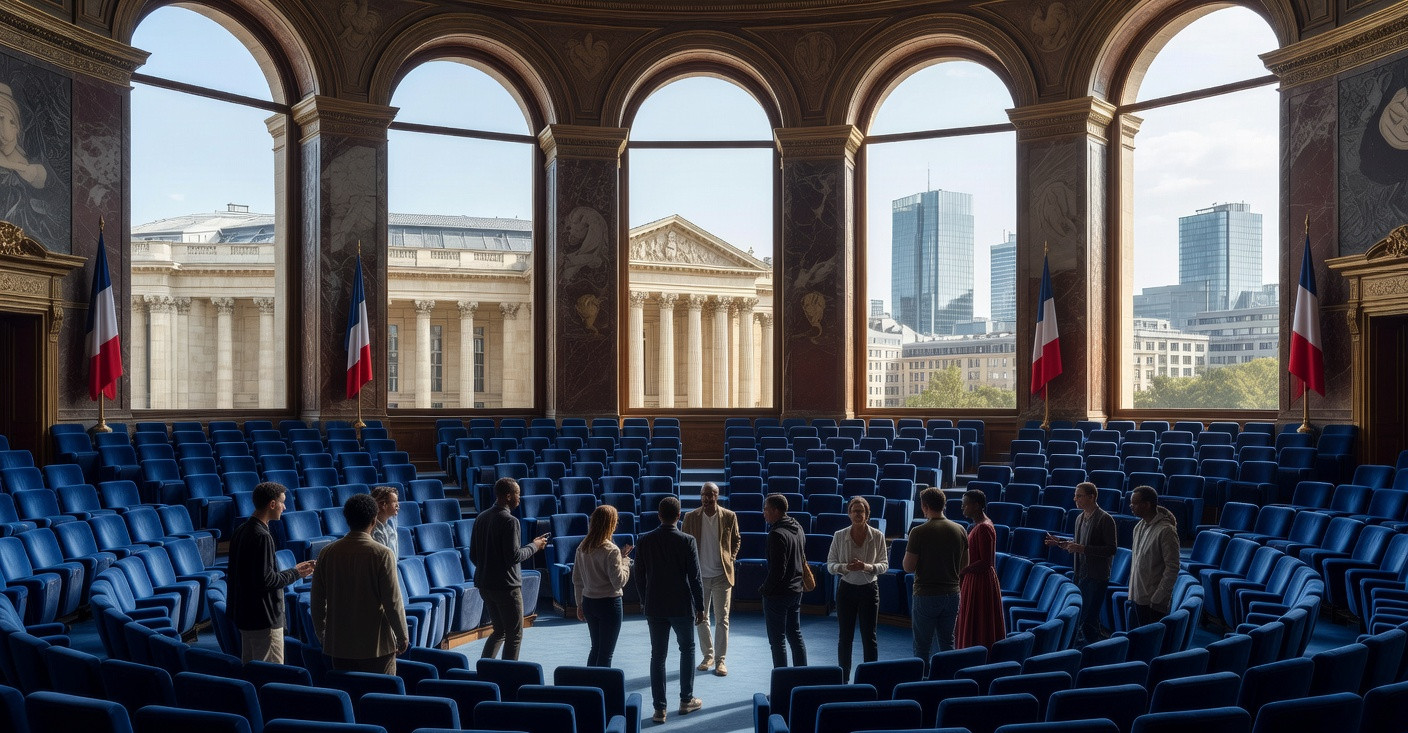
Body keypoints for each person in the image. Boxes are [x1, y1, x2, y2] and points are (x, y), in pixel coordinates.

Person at [310, 493, 410, 674]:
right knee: (381, 698)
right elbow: (392, 601)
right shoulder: (383, 554)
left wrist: (323, 635)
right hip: (376, 646)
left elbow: (317, 600)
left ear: (347, 519)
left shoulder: (327, 552)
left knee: (349, 696)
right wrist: (402, 635)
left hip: (339, 645)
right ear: (374, 519)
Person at [227, 481, 314, 663]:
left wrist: (294, 571)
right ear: (272, 504)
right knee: (270, 676)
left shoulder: (241, 530)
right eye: (282, 502)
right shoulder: (263, 536)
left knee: (252, 670)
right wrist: (296, 573)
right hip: (263, 618)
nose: (285, 507)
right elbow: (267, 580)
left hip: (246, 615)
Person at [636, 495, 705, 724]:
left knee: (658, 656)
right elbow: (694, 578)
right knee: (688, 649)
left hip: (654, 605)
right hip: (681, 605)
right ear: (679, 516)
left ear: (659, 515)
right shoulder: (687, 540)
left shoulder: (644, 540)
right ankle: (686, 700)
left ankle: (659, 710)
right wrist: (701, 606)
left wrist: (644, 600)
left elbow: (639, 576)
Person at [469, 477, 549, 660]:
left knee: (499, 631)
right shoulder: (510, 521)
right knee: (514, 635)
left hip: (484, 585)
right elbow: (514, 556)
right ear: (507, 496)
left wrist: (489, 567)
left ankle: (485, 671)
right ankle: (507, 676)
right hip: (506, 588)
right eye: (517, 494)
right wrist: (535, 546)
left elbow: (473, 555)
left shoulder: (481, 517)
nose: (519, 498)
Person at [682, 481, 741, 676]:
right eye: (704, 495)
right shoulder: (690, 517)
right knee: (701, 617)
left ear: (717, 495)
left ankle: (720, 661)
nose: (707, 498)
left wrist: (731, 558)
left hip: (722, 575)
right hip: (698, 577)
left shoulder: (729, 516)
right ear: (700, 496)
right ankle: (708, 655)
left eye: (711, 494)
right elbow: (684, 543)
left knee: (722, 619)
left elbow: (736, 539)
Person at [1046, 482, 1116, 646]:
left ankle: (1077, 650)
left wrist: (1083, 548)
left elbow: (1111, 549)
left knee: (1083, 617)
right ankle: (1093, 650)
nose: (1074, 499)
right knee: (1087, 618)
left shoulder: (1105, 519)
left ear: (1091, 497)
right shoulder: (1079, 517)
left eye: (1079, 496)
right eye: (1075, 495)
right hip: (1080, 572)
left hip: (1096, 575)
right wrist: (1060, 542)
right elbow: (1077, 544)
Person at [826, 496, 886, 681]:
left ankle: (871, 677)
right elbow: (830, 565)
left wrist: (866, 567)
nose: (858, 514)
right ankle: (843, 677)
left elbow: (884, 565)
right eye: (855, 511)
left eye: (861, 511)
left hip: (869, 590)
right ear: (849, 513)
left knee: (870, 637)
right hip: (846, 590)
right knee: (845, 638)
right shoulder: (839, 535)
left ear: (867, 515)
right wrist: (845, 568)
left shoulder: (877, 535)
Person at [904, 487, 967, 661]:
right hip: (953, 594)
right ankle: (946, 682)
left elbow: (908, 567)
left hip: (926, 595)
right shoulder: (960, 529)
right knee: (947, 642)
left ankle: (922, 684)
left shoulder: (918, 532)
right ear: (943, 505)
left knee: (922, 646)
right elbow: (964, 565)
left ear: (924, 506)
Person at [573, 504, 633, 667]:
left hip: (589, 602)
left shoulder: (582, 546)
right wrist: (625, 562)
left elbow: (577, 579)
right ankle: (602, 689)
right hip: (609, 604)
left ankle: (590, 686)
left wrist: (579, 603)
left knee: (595, 648)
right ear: (611, 524)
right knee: (606, 654)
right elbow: (618, 582)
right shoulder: (611, 550)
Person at [760, 492, 808, 668]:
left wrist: (765, 589)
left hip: (778, 594)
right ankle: (802, 679)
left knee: (777, 641)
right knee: (795, 635)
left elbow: (777, 570)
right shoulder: (798, 526)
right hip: (796, 590)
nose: (763, 512)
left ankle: (783, 683)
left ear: (775, 510)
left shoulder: (776, 534)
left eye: (765, 509)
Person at [956, 489, 1005, 649]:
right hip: (975, 577)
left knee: (978, 620)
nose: (963, 508)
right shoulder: (979, 525)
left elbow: (986, 561)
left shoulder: (983, 527)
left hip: (979, 580)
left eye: (965, 505)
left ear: (976, 505)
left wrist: (962, 569)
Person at [1129, 485, 1181, 627]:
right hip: (1136, 597)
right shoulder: (1139, 526)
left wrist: (1158, 598)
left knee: (1146, 646)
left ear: (1146, 505)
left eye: (1134, 503)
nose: (1131, 506)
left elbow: (1172, 568)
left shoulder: (1166, 530)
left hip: (1152, 603)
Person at [370, 485, 400, 556]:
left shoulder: (390, 526)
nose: (397, 505)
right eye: (394, 501)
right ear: (383, 505)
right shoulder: (374, 531)